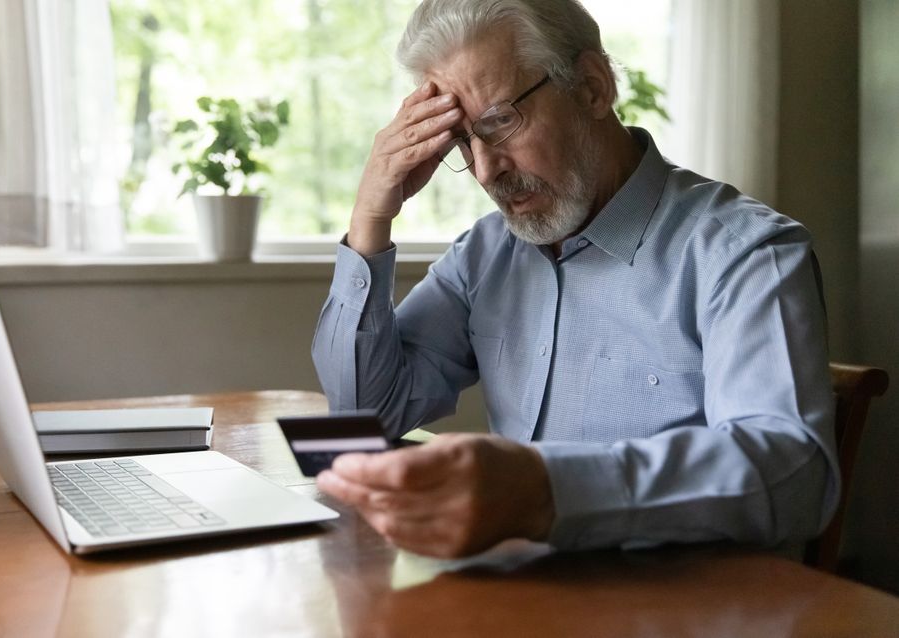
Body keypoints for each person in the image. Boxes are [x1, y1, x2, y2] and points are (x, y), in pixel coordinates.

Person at [311, 0, 839, 559]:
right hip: (515, 593)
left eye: (499, 123)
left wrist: (544, 490)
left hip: (682, 605)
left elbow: (793, 475)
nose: (487, 171)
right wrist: (370, 218)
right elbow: (365, 416)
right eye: (463, 142)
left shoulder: (745, 253)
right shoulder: (487, 254)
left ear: (592, 88)